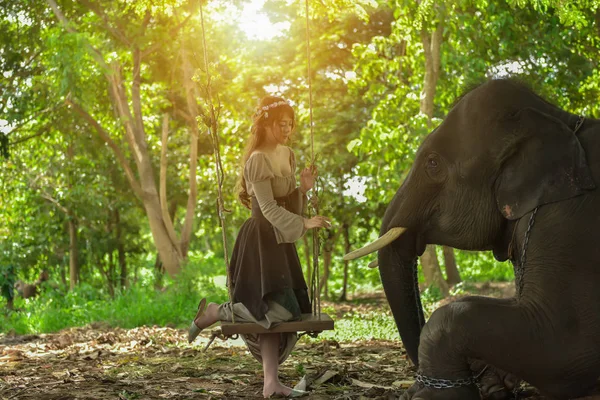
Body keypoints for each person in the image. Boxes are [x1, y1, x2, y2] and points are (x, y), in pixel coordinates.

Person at [188, 96, 331, 398]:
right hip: (260, 242)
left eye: (291, 125)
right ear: (266, 123)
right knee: (271, 309)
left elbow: (287, 201)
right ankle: (217, 311)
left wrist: (302, 189)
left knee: (280, 313)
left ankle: (271, 383)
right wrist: (303, 223)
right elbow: (266, 207)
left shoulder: (288, 155)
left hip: (280, 243)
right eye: (282, 124)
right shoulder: (257, 160)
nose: (287, 130)